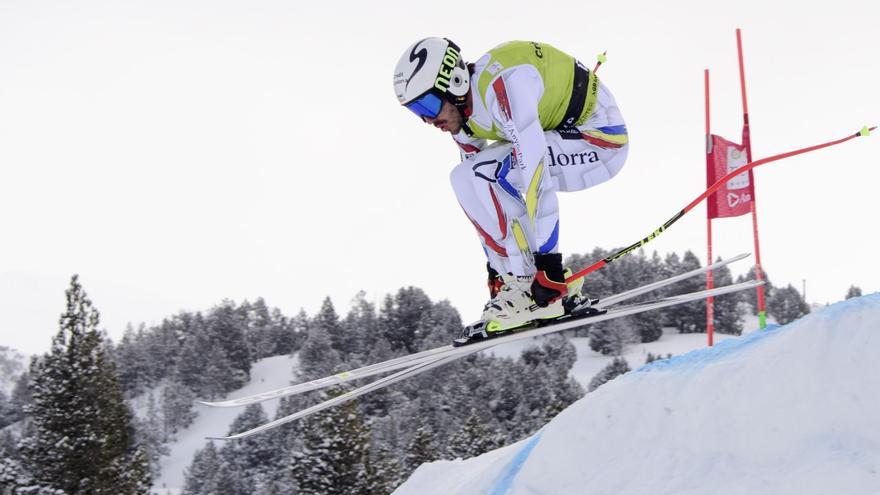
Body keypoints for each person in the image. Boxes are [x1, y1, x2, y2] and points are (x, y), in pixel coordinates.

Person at [393, 38, 629, 335]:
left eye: (427, 104)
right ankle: (517, 283)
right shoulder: (462, 115)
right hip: (564, 137)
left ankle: (530, 285)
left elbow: (535, 176)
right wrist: (495, 268)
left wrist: (549, 263)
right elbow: (480, 190)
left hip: (601, 141)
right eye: (416, 110)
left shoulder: (505, 88)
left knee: (490, 170)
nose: (427, 119)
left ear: (454, 81)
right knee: (462, 177)